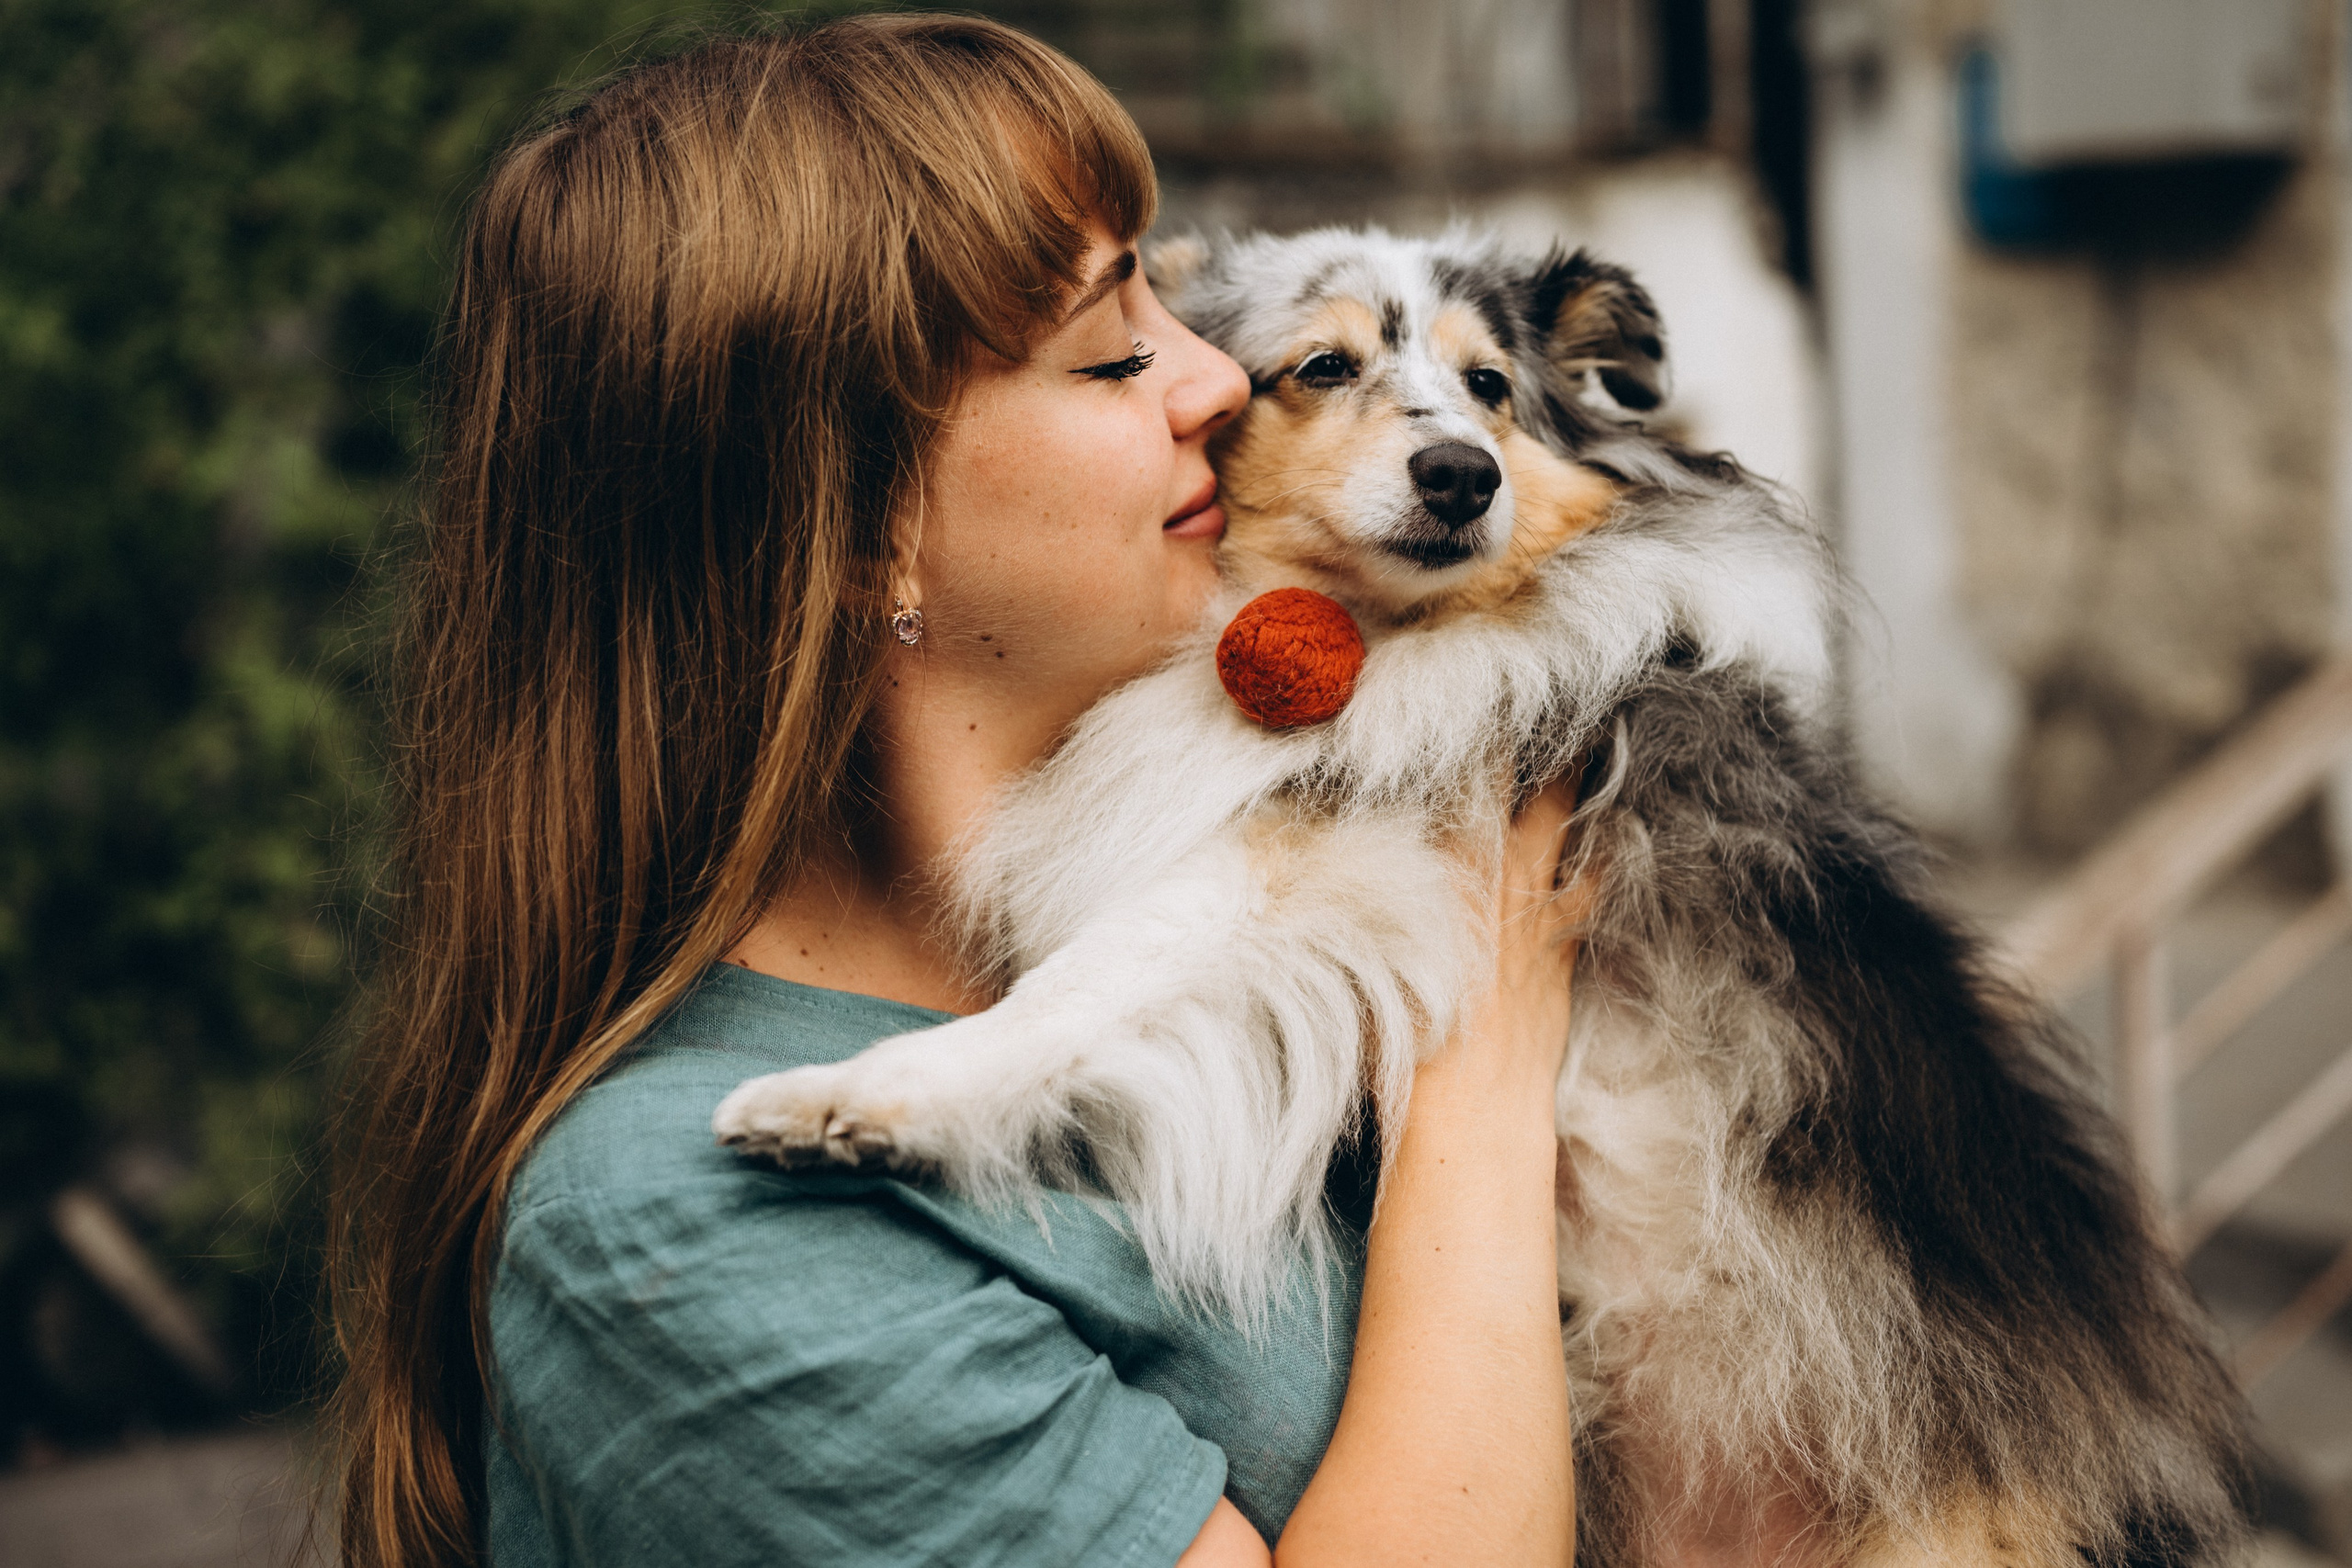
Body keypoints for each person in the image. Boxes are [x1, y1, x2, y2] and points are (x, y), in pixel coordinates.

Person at [328, 16, 1586, 1567]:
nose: (1217, 380)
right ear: (864, 534)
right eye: (1113, 350)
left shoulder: (1263, 915)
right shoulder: (679, 1218)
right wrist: (1484, 1056)